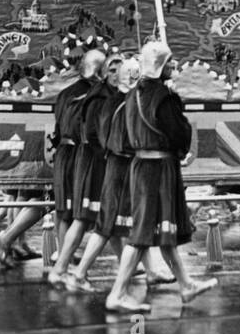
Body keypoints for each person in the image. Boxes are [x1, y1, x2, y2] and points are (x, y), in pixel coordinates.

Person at [104, 41, 216, 313]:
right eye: (170, 64)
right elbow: (180, 136)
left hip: (140, 167)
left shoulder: (131, 95)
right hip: (158, 171)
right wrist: (177, 110)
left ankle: (186, 285)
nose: (174, 68)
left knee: (162, 229)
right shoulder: (163, 98)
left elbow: (125, 139)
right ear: (161, 66)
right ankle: (117, 294)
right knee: (141, 233)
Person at [66, 56, 138, 292]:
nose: (117, 75)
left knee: (113, 223)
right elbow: (99, 135)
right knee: (104, 222)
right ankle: (76, 272)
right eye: (113, 70)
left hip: (112, 164)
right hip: (108, 165)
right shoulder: (109, 100)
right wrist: (111, 154)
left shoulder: (118, 98)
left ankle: (128, 270)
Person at [49, 53, 119, 284]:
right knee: (76, 213)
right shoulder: (95, 95)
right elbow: (90, 132)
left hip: (66, 152)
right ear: (101, 71)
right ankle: (65, 264)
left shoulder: (64, 93)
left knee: (69, 211)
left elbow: (59, 128)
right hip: (84, 156)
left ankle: (66, 262)